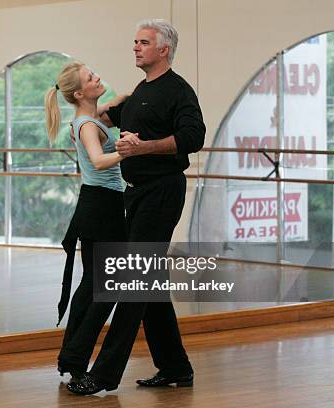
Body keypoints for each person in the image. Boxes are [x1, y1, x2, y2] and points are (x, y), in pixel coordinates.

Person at [67, 19, 204, 395]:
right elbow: (103, 119)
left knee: (133, 278)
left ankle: (105, 375)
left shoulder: (178, 91)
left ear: (164, 50)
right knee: (151, 284)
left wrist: (145, 148)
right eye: (135, 42)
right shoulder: (141, 92)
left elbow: (195, 137)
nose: (136, 48)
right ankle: (176, 366)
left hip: (162, 191)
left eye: (144, 42)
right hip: (137, 193)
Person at [44, 61, 133, 389]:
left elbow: (114, 102)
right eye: (91, 78)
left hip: (95, 205)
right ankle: (76, 355)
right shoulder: (86, 124)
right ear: (80, 92)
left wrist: (134, 93)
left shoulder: (89, 116)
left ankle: (72, 359)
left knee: (93, 284)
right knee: (109, 285)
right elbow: (98, 159)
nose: (99, 78)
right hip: (103, 206)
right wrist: (127, 149)